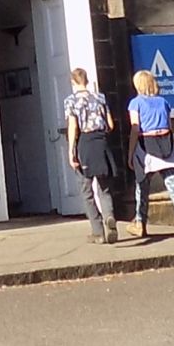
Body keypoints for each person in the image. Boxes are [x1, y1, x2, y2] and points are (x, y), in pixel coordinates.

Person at [126, 69, 174, 241]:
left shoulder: (135, 103)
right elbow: (170, 125)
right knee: (173, 185)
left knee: (142, 187)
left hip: (146, 146)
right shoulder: (163, 101)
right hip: (166, 145)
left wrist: (130, 152)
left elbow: (135, 128)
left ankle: (140, 223)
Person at [61, 67, 117, 244]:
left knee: (86, 190)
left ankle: (98, 231)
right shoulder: (100, 98)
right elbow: (110, 124)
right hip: (101, 142)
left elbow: (73, 127)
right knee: (104, 187)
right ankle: (109, 216)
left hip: (84, 143)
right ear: (86, 80)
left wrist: (71, 151)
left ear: (73, 82)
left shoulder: (71, 101)